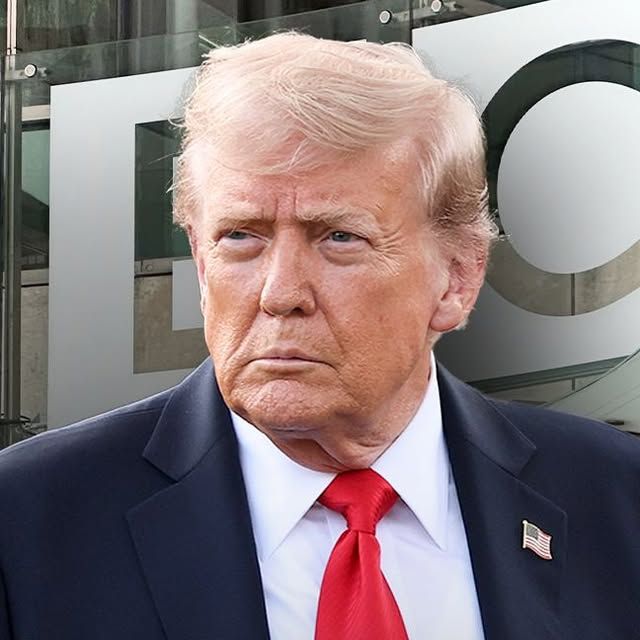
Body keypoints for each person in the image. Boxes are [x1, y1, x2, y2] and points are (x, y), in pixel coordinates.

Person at [0, 32, 639, 640]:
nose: (280, 293)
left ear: (457, 278)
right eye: (240, 236)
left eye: (338, 237)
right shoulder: (28, 523)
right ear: (200, 261)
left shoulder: (614, 500)